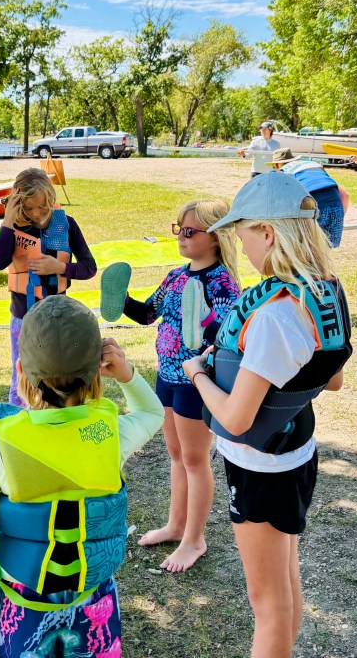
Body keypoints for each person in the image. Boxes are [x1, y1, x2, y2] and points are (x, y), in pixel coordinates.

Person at [182, 171, 352, 658]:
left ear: (269, 234)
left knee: (267, 602)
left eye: (245, 235)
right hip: (297, 455)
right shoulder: (321, 291)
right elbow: (332, 377)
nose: (244, 247)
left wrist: (198, 372)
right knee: (285, 582)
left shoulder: (276, 316)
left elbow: (235, 420)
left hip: (261, 467)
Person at [0, 296, 164, 658]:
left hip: (24, 610)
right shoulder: (109, 434)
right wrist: (127, 373)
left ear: (20, 370)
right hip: (94, 607)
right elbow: (151, 413)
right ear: (99, 370)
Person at [99, 200, 241, 573]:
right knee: (177, 456)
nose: (182, 236)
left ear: (216, 236)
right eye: (179, 228)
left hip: (199, 379)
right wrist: (122, 301)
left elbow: (231, 335)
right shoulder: (177, 276)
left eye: (190, 231)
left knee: (196, 461)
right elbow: (149, 314)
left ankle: (195, 539)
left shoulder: (223, 281)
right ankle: (176, 525)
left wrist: (206, 321)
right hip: (168, 376)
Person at [0, 168, 97, 407]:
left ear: (51, 199)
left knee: (60, 375)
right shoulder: (13, 226)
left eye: (42, 207)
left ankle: (59, 419)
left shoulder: (66, 224)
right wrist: (8, 219)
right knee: (21, 376)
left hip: (58, 319)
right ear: (17, 203)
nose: (36, 214)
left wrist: (59, 267)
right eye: (28, 208)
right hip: (23, 316)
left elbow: (89, 268)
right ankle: (19, 424)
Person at [269, 148, 350, 247]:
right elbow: (345, 195)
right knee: (326, 250)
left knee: (305, 251)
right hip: (336, 207)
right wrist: (339, 218)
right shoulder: (313, 165)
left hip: (312, 209)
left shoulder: (283, 172)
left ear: (276, 165)